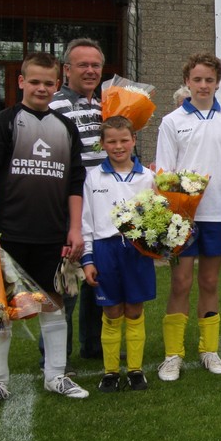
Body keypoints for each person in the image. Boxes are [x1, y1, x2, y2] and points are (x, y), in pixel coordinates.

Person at [0, 52, 88, 411]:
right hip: (9, 234)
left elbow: (75, 183)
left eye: (48, 83)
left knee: (53, 303)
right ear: (21, 81)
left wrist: (74, 228)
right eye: (34, 81)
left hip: (52, 234)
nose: (41, 88)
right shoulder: (2, 123)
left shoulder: (65, 128)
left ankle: (55, 375)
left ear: (57, 85)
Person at [155, 53, 221, 381]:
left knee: (209, 282)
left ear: (218, 82)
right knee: (180, 283)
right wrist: (170, 216)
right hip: (183, 216)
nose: (203, 85)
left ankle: (209, 350)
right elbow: (164, 171)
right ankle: (172, 355)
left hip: (219, 214)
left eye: (209, 79)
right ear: (187, 82)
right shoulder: (171, 121)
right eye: (197, 79)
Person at [80, 116, 157, 393]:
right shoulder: (93, 177)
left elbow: (157, 216)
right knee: (112, 311)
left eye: (124, 140)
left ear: (134, 140)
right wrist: (88, 259)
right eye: (111, 141)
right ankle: (110, 372)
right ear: (102, 144)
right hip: (105, 250)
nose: (118, 146)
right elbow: (86, 222)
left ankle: (135, 370)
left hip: (136, 250)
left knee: (134, 310)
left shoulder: (148, 177)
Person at [48, 38, 107, 363]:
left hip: (103, 209)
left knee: (97, 279)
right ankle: (56, 357)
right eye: (83, 65)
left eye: (95, 65)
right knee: (66, 283)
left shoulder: (107, 106)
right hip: (67, 209)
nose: (90, 70)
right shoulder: (53, 107)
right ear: (66, 69)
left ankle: (93, 346)